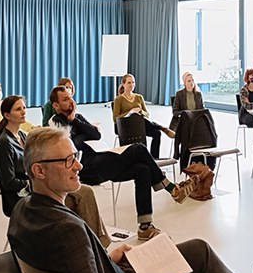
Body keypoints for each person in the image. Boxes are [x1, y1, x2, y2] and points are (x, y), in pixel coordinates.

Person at [9, 126, 253, 273]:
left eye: (75, 156)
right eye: (67, 161)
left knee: (199, 250)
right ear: (39, 171)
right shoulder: (67, 230)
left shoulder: (22, 212)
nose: (79, 165)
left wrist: (106, 259)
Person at [49, 85, 196, 241]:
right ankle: (171, 188)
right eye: (65, 99)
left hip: (101, 160)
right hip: (86, 169)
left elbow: (96, 135)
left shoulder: (77, 117)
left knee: (143, 169)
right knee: (139, 149)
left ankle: (145, 227)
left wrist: (74, 120)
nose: (71, 101)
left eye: (71, 97)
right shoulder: (56, 122)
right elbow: (72, 145)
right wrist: (80, 130)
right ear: (56, 105)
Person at [0, 94, 111, 245]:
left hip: (37, 188)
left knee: (85, 191)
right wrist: (34, 182)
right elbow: (8, 182)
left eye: (24, 108)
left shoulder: (22, 135)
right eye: (18, 109)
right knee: (82, 199)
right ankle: (96, 245)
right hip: (22, 197)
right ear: (7, 115)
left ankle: (96, 244)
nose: (23, 112)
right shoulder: (4, 143)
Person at [113, 74, 175, 159]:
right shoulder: (118, 99)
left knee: (157, 133)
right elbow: (115, 118)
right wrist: (130, 112)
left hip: (140, 125)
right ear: (123, 84)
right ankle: (162, 127)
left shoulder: (139, 97)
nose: (132, 85)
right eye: (129, 83)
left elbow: (147, 114)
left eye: (133, 82)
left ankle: (154, 159)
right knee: (134, 116)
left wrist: (141, 111)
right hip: (126, 126)